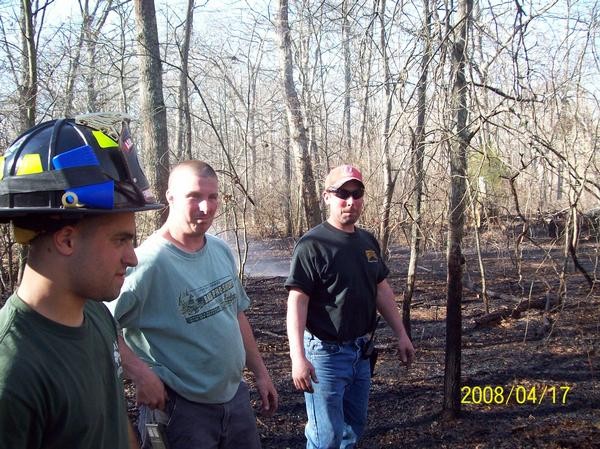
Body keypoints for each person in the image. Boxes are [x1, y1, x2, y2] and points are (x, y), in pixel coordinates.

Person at [0, 113, 162, 448]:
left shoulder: (95, 314)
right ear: (67, 240)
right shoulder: (12, 371)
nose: (132, 258)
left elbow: (112, 421)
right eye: (120, 240)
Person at [111, 160, 278, 449]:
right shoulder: (148, 262)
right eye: (194, 197)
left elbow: (235, 314)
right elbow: (99, 323)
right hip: (179, 409)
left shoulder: (220, 249)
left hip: (234, 398)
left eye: (213, 197)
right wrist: (140, 374)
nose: (206, 207)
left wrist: (260, 373)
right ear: (171, 197)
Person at [285, 164, 416, 449]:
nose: (350, 201)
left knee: (352, 431)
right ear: (327, 197)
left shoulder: (367, 241)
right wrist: (298, 357)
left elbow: (381, 289)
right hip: (325, 355)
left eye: (357, 194)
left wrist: (401, 334)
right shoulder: (312, 244)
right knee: (325, 437)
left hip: (361, 352)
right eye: (342, 193)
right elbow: (298, 301)